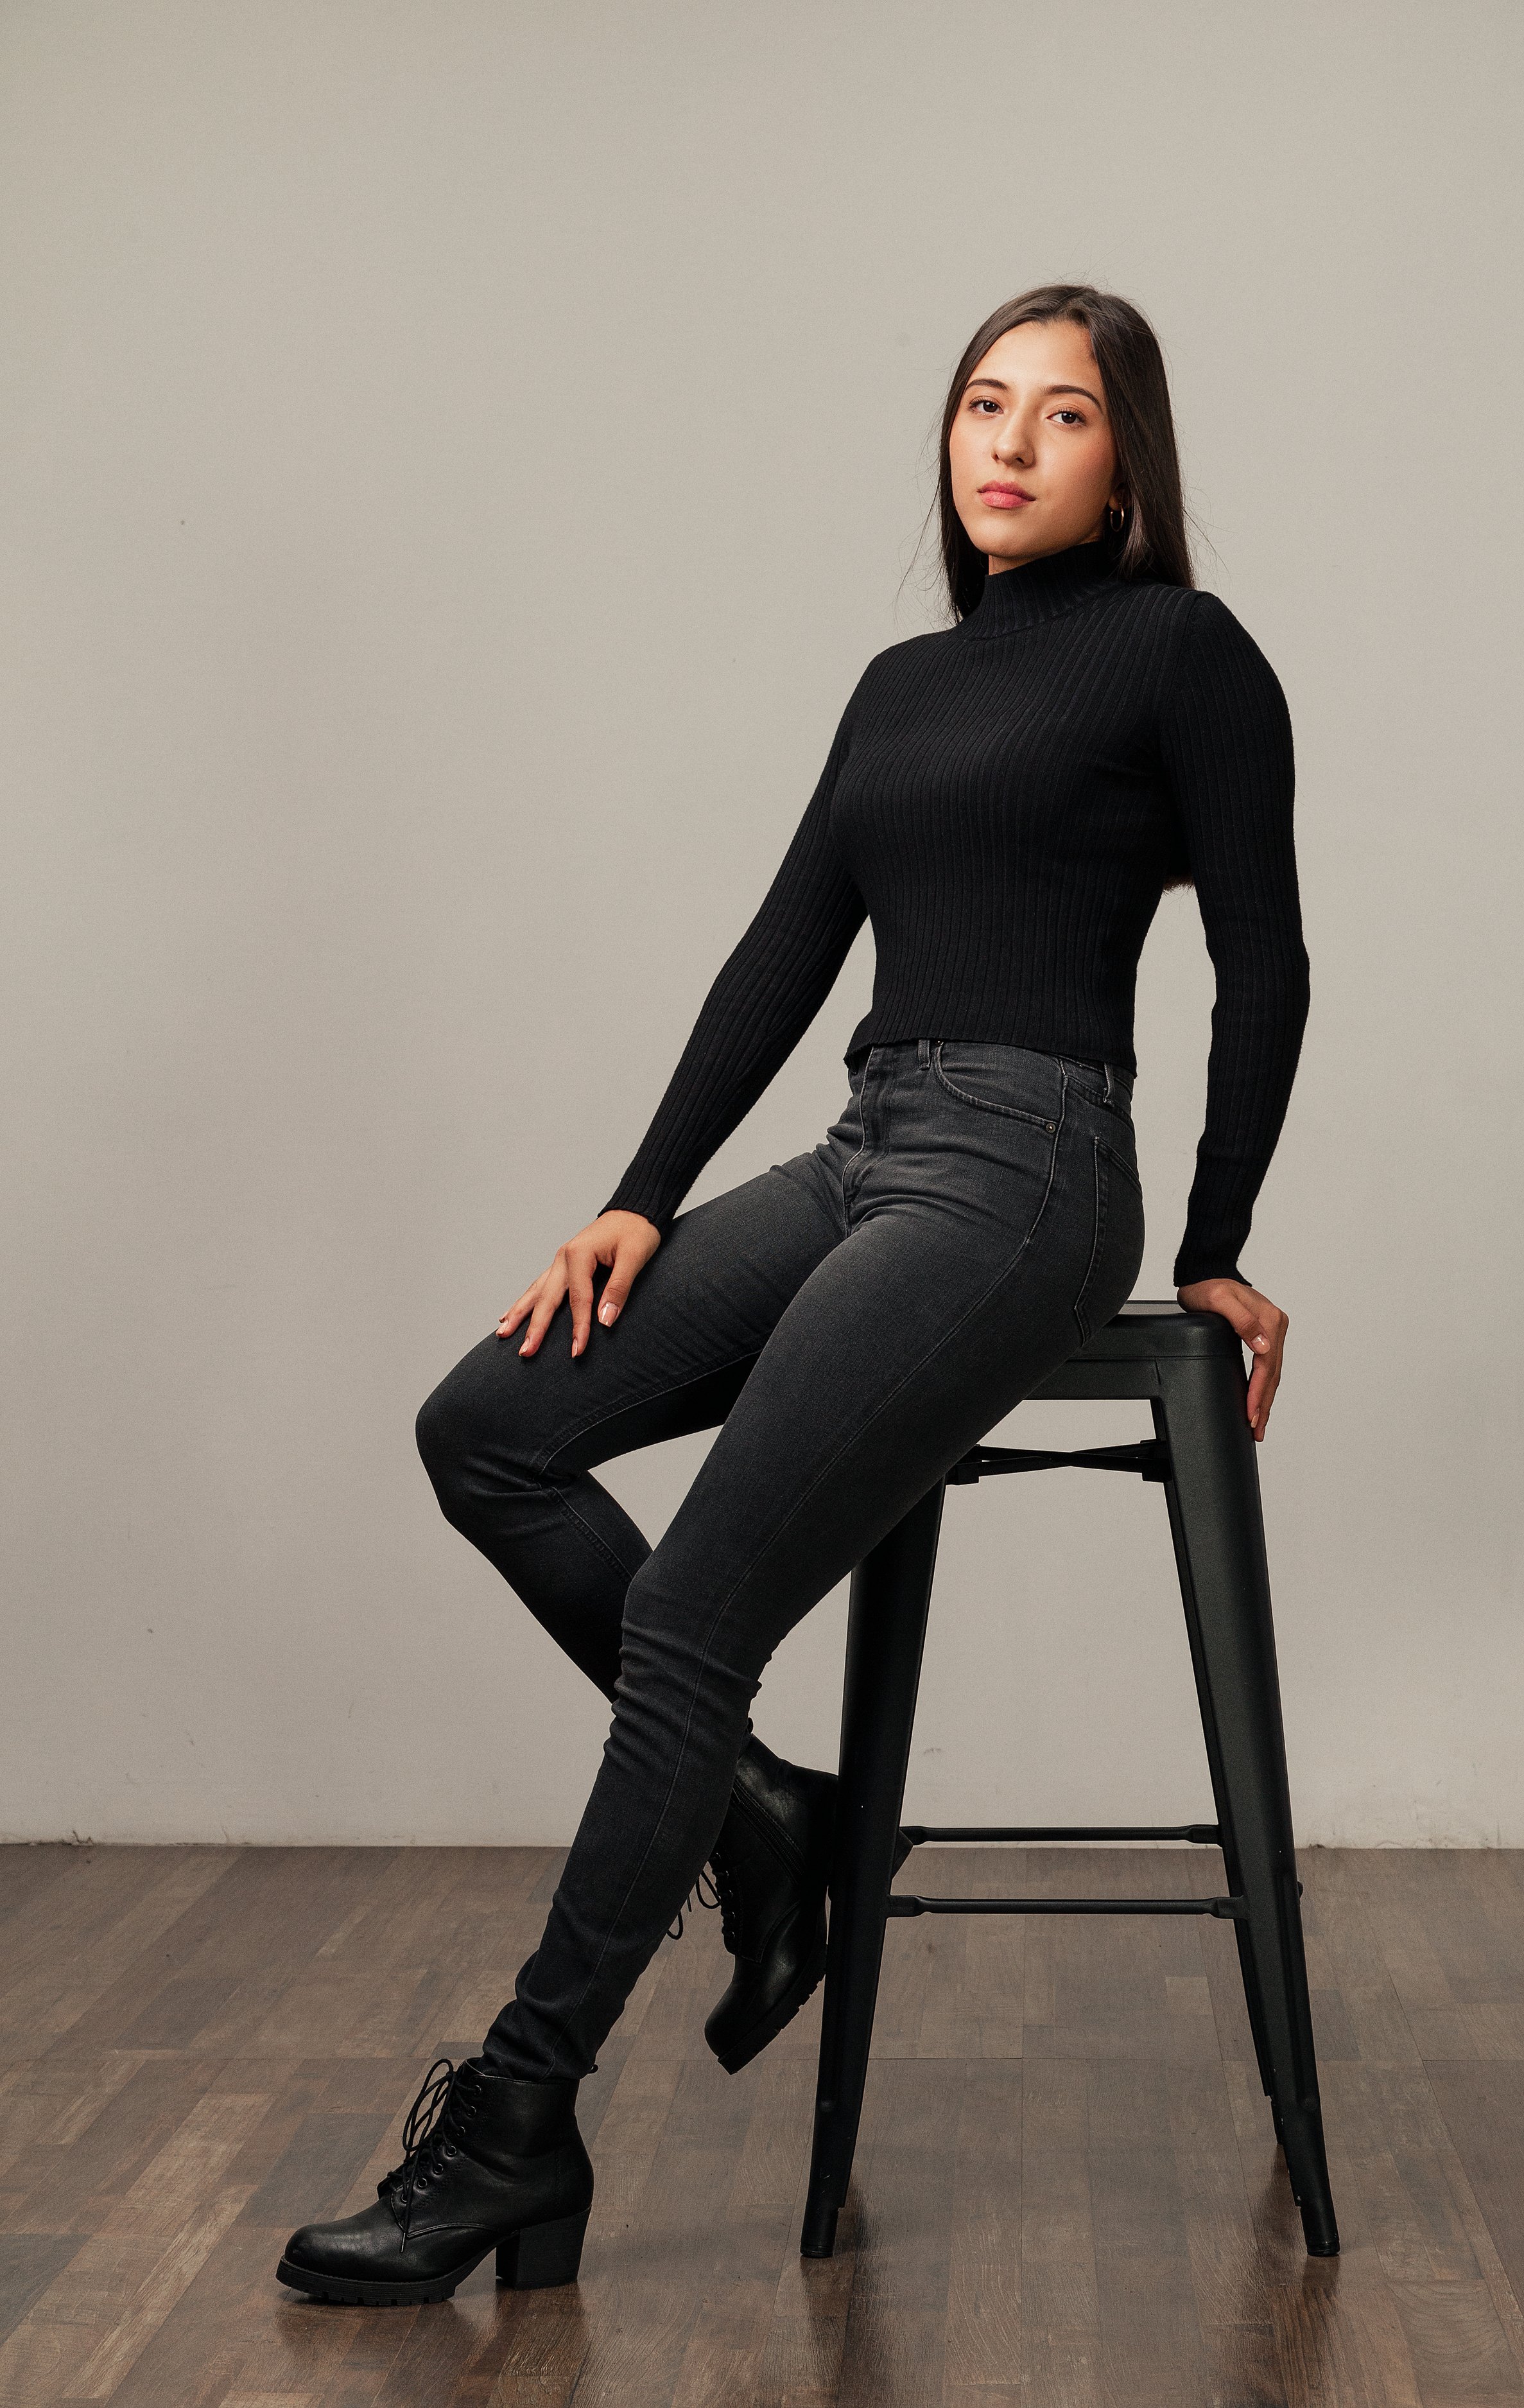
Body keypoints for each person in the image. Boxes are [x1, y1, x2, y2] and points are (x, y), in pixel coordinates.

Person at [276, 281, 1310, 2305]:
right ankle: (764, 1819)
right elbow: (781, 951)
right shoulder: (897, 684)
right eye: (983, 403)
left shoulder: (1183, 652)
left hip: (1027, 1166)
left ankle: (515, 2124)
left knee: (688, 1612)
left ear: (1126, 466)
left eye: (1063, 413)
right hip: (865, 1145)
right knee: (489, 1425)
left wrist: (1212, 1238)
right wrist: (636, 1200)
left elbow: (1262, 962)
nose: (1007, 441)